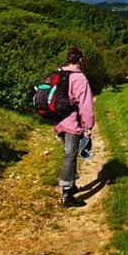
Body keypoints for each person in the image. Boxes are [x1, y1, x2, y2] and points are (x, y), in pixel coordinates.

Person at [54, 47, 94, 208]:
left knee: (68, 154)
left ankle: (71, 183)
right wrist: (88, 126)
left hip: (58, 121)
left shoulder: (58, 73)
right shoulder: (80, 78)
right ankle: (67, 194)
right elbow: (85, 105)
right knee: (70, 156)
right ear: (81, 60)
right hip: (72, 123)